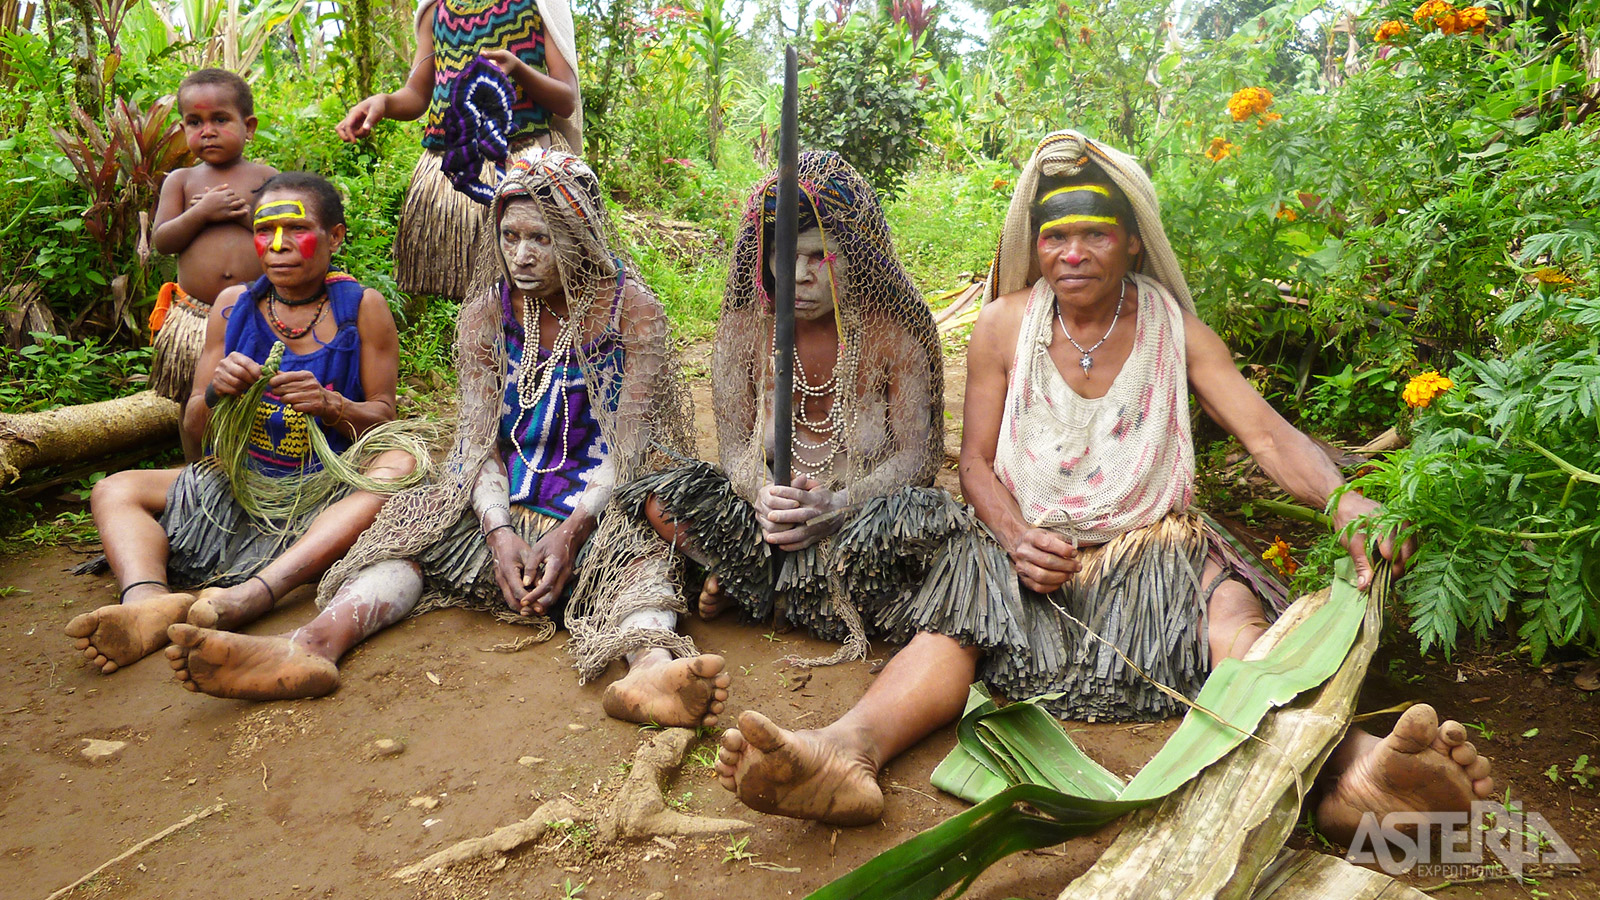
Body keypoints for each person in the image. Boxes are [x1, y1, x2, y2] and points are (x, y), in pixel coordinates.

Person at [713, 132, 1495, 844]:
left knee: (1232, 616)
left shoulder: (1177, 331)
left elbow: (1266, 436)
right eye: (1055, 236)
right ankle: (846, 752)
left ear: (1129, 242)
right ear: (1036, 246)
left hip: (1157, 553)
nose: (1073, 253)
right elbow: (976, 465)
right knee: (953, 628)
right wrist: (1016, 537)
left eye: (1094, 234)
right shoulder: (1001, 326)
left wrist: (1343, 502)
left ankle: (1348, 767)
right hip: (1029, 557)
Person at [163, 151, 728, 726]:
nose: (522, 254)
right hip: (501, 498)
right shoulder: (488, 312)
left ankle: (650, 669)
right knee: (404, 540)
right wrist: (500, 531)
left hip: (602, 502)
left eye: (542, 236)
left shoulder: (632, 311)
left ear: (580, 234)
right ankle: (311, 645)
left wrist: (570, 533)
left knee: (642, 562)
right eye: (510, 236)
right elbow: (474, 443)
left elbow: (629, 450)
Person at [618, 152, 1027, 825]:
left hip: (858, 534)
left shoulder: (896, 332)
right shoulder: (749, 327)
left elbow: (919, 458)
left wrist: (836, 505)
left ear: (857, 258)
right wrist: (760, 493)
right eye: (783, 256)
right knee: (661, 490)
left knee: (940, 527)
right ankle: (739, 586)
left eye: (818, 257)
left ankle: (757, 594)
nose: (797, 275)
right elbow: (734, 453)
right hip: (767, 531)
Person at [66, 172, 417, 676]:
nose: (277, 246)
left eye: (296, 230)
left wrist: (331, 405)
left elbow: (383, 418)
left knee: (399, 464)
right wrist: (216, 391)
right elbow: (195, 428)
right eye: (265, 230)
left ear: (335, 237)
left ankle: (257, 592)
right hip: (241, 480)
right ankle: (146, 601)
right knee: (114, 491)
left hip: (324, 488)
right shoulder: (232, 309)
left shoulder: (362, 309)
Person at [335, 0, 582, 300]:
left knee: (531, 285)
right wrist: (383, 103)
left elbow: (566, 99)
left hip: (522, 163)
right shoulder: (436, 9)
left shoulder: (538, 4)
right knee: (472, 294)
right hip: (454, 170)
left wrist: (517, 69)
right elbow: (416, 93)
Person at [149, 68, 279, 460]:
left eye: (220, 119)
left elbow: (283, 236)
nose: (207, 130)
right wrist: (201, 213)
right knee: (194, 402)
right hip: (195, 317)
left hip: (256, 311)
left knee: (258, 396)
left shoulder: (268, 178)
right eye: (194, 122)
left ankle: (256, 470)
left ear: (248, 125)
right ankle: (195, 473)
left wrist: (243, 216)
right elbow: (162, 241)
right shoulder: (182, 180)